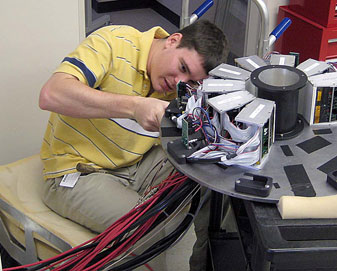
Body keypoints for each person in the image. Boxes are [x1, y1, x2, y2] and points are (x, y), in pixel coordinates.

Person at [38, 20, 229, 270]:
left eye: (191, 81)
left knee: (214, 182)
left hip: (135, 163)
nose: (178, 83)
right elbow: (51, 94)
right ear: (173, 40)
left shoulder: (181, 85)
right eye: (182, 67)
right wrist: (134, 106)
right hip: (76, 172)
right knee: (158, 233)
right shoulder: (114, 42)